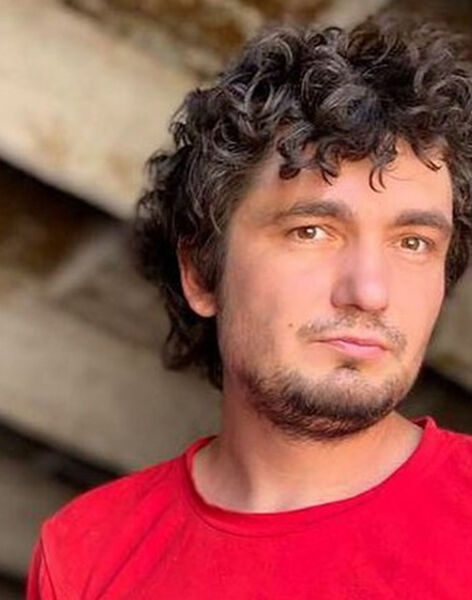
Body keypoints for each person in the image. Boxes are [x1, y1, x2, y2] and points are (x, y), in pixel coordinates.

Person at [27, 13, 472, 599]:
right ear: (200, 272)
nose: (370, 292)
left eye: (413, 243)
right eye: (311, 231)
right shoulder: (83, 554)